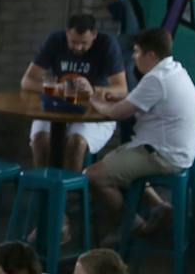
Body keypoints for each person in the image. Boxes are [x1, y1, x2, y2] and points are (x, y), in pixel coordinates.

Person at [88, 28, 195, 235]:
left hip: (162, 155)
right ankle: (159, 207)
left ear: (151, 55)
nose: (133, 56)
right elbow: (142, 99)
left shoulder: (155, 79)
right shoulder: (174, 70)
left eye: (137, 52)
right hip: (179, 152)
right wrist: (123, 99)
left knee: (93, 175)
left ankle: (134, 227)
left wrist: (95, 101)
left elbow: (116, 114)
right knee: (118, 160)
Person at [22, 11, 128, 171]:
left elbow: (122, 89)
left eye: (83, 43)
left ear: (94, 35)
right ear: (67, 34)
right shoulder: (55, 40)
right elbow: (27, 81)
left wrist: (92, 90)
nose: (78, 47)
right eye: (73, 42)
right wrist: (56, 88)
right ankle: (43, 190)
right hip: (58, 106)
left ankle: (67, 192)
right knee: (40, 140)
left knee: (76, 144)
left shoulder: (107, 44)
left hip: (94, 111)